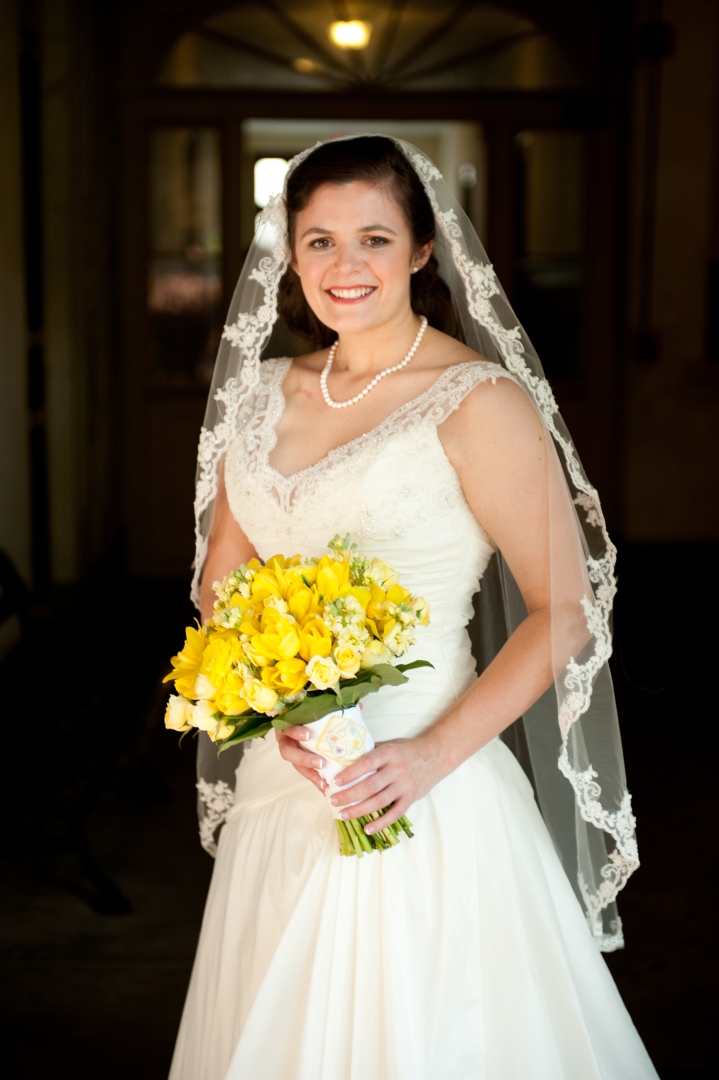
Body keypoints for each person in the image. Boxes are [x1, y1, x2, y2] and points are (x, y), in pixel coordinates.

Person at [169, 135, 658, 1079]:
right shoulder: (259, 396)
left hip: (428, 778)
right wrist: (276, 702)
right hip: (287, 780)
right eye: (318, 241)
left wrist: (426, 757)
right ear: (289, 253)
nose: (344, 265)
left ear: (423, 249)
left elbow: (563, 610)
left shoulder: (475, 402)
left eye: (374, 238)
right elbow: (221, 578)